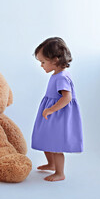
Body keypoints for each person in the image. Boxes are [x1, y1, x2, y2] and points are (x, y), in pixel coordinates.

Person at [31, 37, 83, 182]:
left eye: (43, 62)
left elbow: (66, 98)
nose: (41, 65)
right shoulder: (58, 75)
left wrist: (51, 110)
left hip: (58, 115)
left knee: (55, 144)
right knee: (44, 138)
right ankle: (51, 164)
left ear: (54, 60)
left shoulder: (61, 77)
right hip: (52, 114)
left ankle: (60, 173)